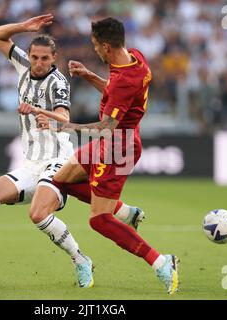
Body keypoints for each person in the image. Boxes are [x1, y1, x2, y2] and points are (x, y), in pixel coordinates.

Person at [0, 14, 145, 288]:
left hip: (58, 160)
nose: (37, 62)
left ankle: (81, 260)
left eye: (44, 58)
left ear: (54, 59)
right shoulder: (22, 65)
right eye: (34, 57)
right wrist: (24, 27)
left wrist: (37, 110)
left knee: (38, 214)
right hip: (31, 163)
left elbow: (62, 118)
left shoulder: (58, 82)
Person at [50, 17, 179, 294]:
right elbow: (116, 91)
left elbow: (107, 126)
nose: (95, 49)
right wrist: (89, 75)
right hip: (114, 141)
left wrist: (68, 126)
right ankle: (125, 211)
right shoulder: (135, 57)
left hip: (117, 148)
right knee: (59, 180)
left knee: (98, 219)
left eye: (96, 45)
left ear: (107, 46)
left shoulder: (124, 79)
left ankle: (161, 262)